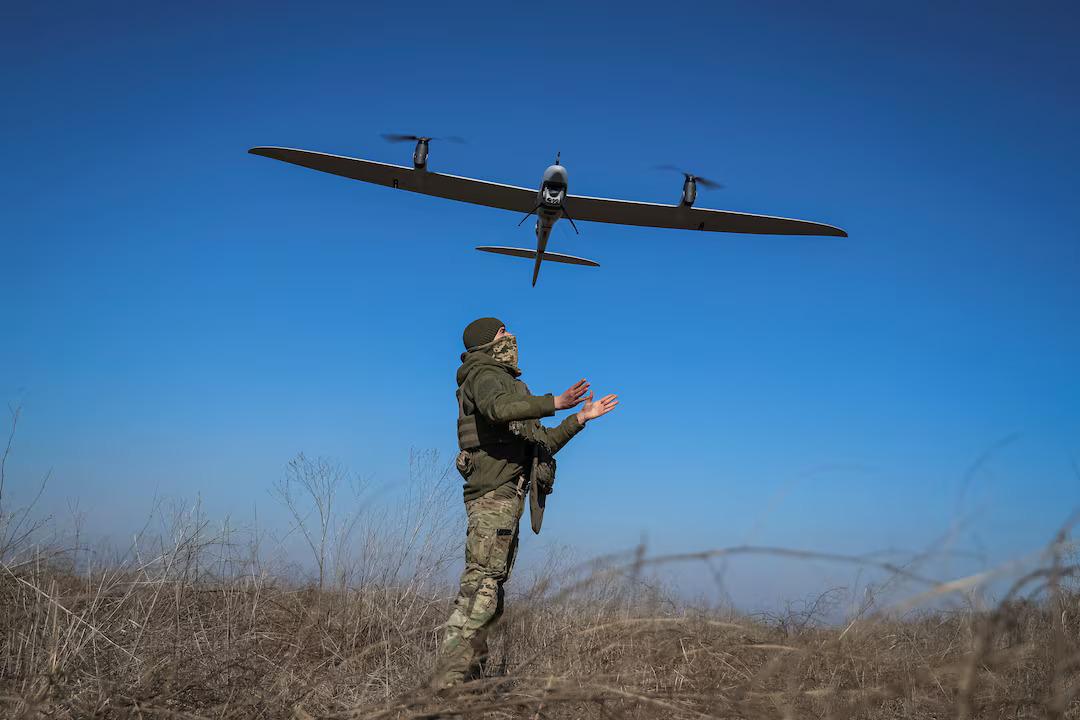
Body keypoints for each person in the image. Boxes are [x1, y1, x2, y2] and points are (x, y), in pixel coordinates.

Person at [434, 316, 618, 688]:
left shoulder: (510, 385)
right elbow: (496, 410)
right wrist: (556, 401)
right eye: (503, 332)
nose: (511, 336)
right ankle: (444, 684)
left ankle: (467, 679)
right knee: (481, 587)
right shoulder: (483, 375)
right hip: (493, 494)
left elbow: (541, 444)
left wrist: (579, 418)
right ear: (486, 342)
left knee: (491, 591)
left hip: (509, 496)